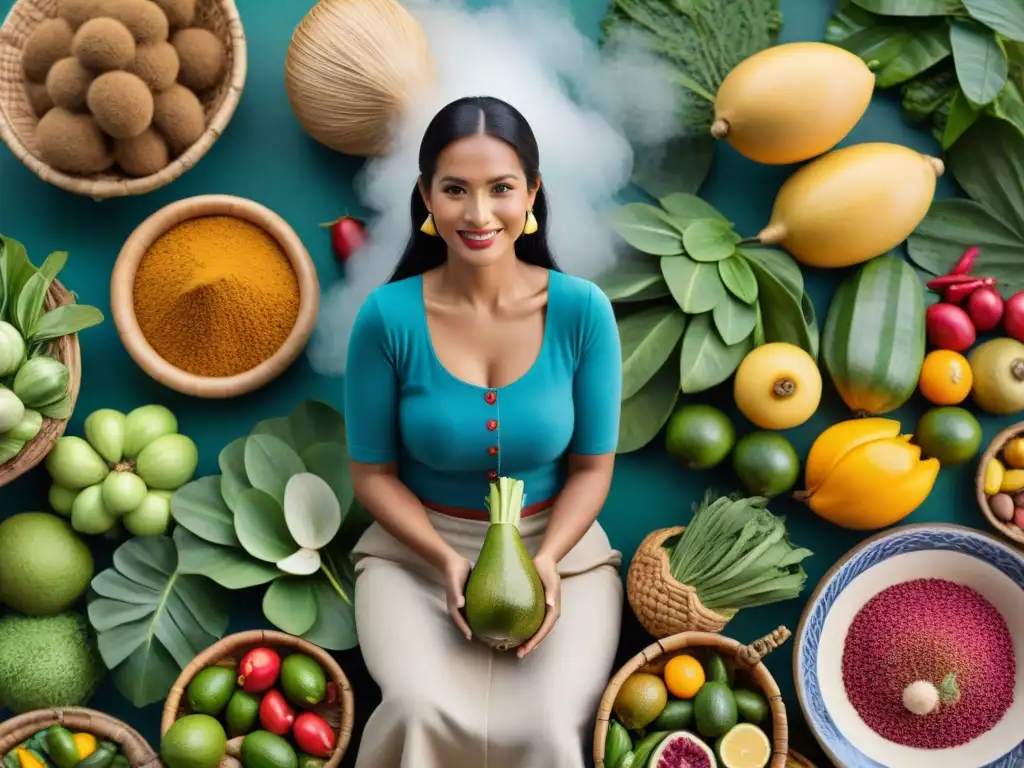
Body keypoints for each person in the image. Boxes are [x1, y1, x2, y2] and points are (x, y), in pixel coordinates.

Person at [343, 95, 624, 768]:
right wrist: (445, 560)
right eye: (455, 190)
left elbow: (592, 468)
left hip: (564, 552)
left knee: (552, 727)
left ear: (531, 192)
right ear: (426, 199)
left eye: (500, 188)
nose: (477, 213)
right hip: (414, 558)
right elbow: (371, 477)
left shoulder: (584, 311)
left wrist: (550, 559)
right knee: (418, 708)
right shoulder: (385, 318)